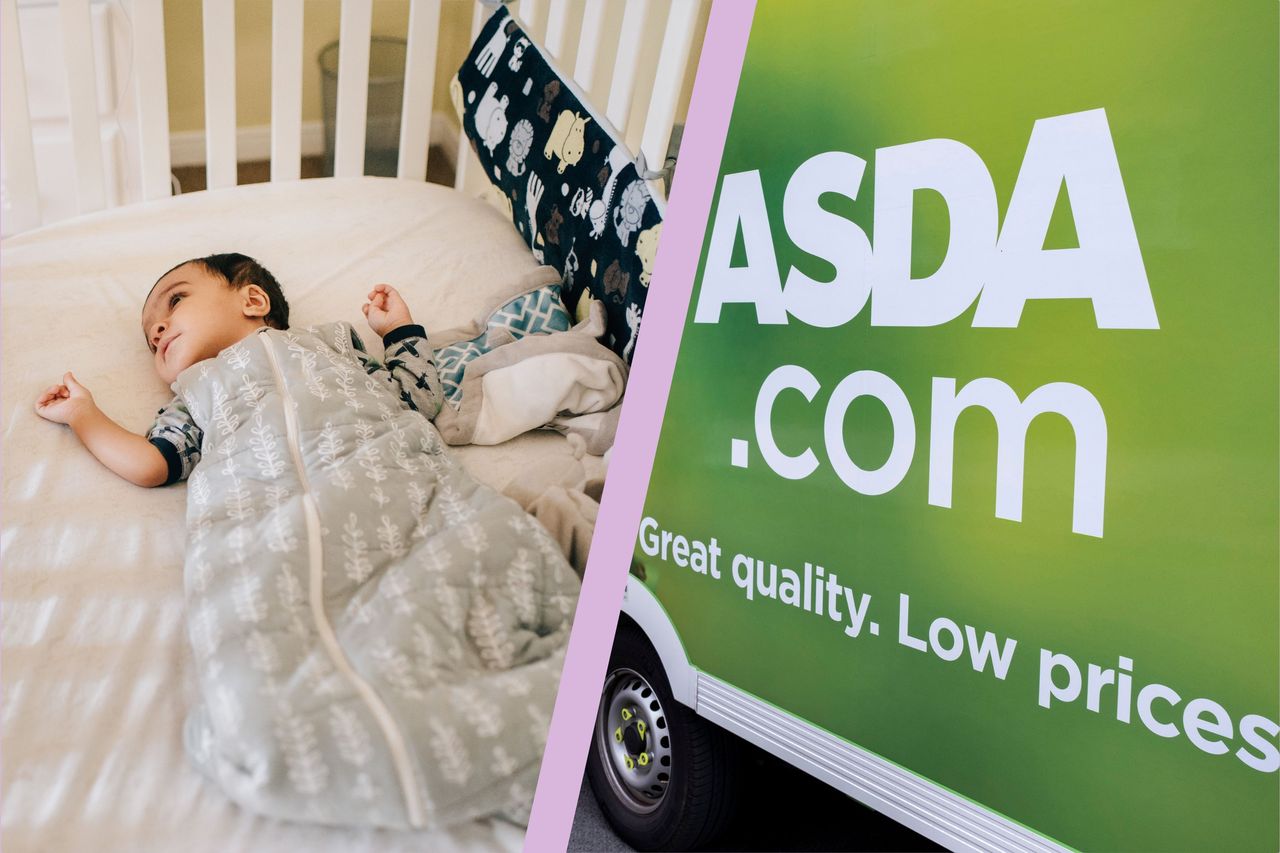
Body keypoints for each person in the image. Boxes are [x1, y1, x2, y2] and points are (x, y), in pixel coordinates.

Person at [32, 252, 579, 829]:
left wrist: (400, 333)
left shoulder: (336, 345)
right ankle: (508, 748)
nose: (159, 329)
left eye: (174, 301)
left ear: (252, 301)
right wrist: (85, 415)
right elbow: (150, 462)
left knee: (490, 563)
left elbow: (419, 396)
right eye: (150, 338)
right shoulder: (194, 398)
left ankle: (535, 724)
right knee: (265, 696)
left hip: (399, 491)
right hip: (271, 530)